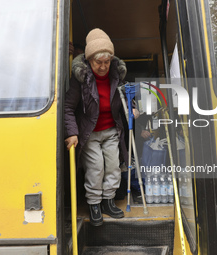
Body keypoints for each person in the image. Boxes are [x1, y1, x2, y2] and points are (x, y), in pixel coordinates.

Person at [64, 28, 129, 226]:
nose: (102, 67)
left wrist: (132, 109)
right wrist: (72, 133)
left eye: (106, 62)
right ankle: (94, 204)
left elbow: (125, 99)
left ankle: (108, 201)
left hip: (111, 130)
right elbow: (67, 107)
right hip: (89, 132)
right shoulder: (80, 80)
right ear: (89, 60)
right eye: (97, 62)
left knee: (113, 167)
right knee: (95, 168)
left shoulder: (116, 76)